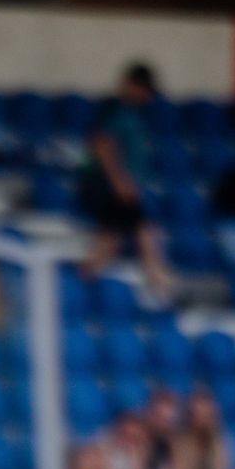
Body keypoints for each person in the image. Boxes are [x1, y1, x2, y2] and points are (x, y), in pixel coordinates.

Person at [78, 63, 173, 300]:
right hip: (114, 189)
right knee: (145, 231)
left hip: (123, 188)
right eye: (144, 89)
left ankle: (83, 281)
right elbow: (102, 144)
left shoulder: (134, 114)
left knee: (111, 239)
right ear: (132, 85)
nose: (147, 96)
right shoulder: (116, 111)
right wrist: (120, 181)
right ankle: (161, 287)